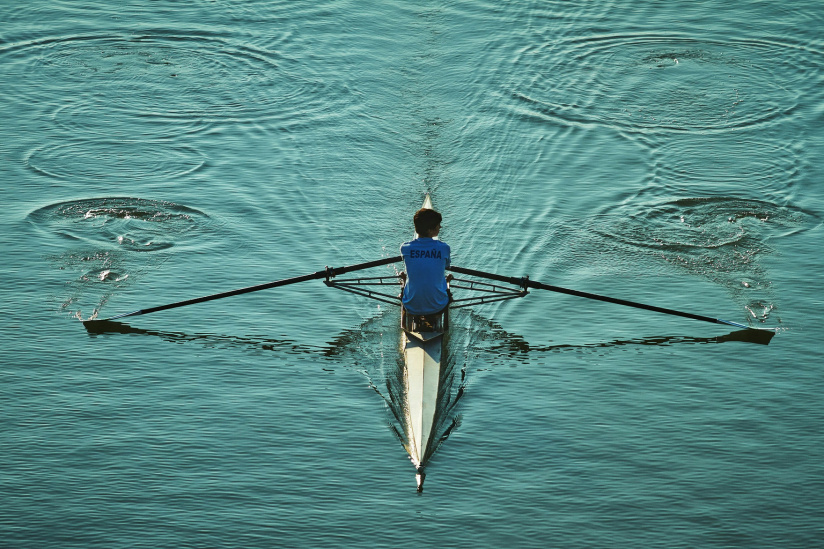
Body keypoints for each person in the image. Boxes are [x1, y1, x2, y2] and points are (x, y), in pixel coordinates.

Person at [400, 206, 451, 316]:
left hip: (411, 306)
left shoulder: (405, 248)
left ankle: (404, 282)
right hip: (438, 306)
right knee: (444, 280)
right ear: (430, 230)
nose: (440, 227)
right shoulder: (444, 248)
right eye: (438, 225)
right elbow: (446, 266)